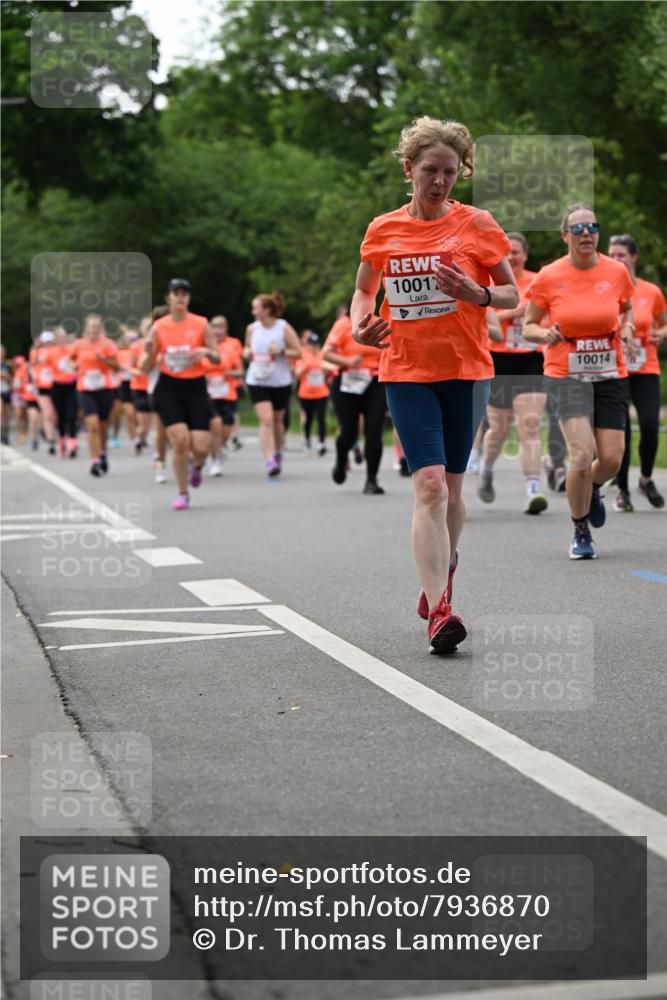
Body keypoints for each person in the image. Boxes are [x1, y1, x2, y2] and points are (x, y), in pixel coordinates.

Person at [351, 116, 518, 651]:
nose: (440, 181)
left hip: (467, 371)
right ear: (409, 170)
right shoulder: (384, 229)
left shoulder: (478, 224)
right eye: (430, 170)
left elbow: (514, 296)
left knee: (450, 490)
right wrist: (361, 326)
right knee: (426, 486)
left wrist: (479, 293)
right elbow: (363, 292)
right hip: (407, 370)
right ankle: (441, 611)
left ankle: (440, 571)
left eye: (450, 172)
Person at [523, 205, 635, 559]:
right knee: (582, 453)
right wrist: (546, 333)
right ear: (565, 235)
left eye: (592, 227)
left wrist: (628, 326)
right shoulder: (549, 276)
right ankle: (580, 527)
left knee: (612, 460)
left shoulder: (616, 271)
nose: (586, 233)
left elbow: (626, 308)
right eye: (578, 228)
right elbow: (528, 326)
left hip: (609, 373)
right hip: (565, 374)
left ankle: (594, 488)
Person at [478, 232, 548, 514]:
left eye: (516, 252)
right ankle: (486, 469)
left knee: (529, 424)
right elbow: (486, 317)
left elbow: (546, 313)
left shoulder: (537, 280)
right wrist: (515, 311)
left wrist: (530, 315)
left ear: (525, 255)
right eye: (506, 253)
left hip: (530, 359)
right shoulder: (491, 282)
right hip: (499, 358)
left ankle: (533, 490)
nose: (511, 257)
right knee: (498, 429)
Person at [141, 280, 220, 509]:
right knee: (181, 441)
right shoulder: (158, 327)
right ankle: (183, 493)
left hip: (195, 387)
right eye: (176, 294)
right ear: (168, 299)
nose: (181, 298)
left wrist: (205, 351)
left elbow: (217, 357)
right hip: (168, 389)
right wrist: (147, 353)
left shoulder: (201, 324)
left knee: (201, 447)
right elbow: (146, 367)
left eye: (185, 294)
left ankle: (197, 467)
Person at [607, 234, 666, 511]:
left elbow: (664, 324)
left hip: (645, 368)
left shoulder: (651, 291)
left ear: (634, 257)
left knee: (651, 426)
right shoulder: (603, 288)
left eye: (622, 255)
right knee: (622, 431)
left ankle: (645, 478)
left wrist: (661, 335)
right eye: (612, 254)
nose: (616, 259)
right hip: (614, 368)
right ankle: (622, 490)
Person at [323, 309, 386, 493]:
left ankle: (371, 480)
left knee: (374, 430)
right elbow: (326, 354)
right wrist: (348, 361)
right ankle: (341, 458)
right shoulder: (343, 323)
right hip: (346, 382)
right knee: (349, 432)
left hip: (375, 382)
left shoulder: (380, 322)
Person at [243, 292, 301, 477]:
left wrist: (281, 350)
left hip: (279, 380)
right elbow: (246, 347)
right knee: (266, 419)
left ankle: (277, 452)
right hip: (257, 379)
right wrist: (246, 353)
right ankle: (269, 460)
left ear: (267, 310)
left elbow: (298, 352)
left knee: (277, 421)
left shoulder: (283, 327)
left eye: (256, 308)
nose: (253, 311)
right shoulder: (252, 329)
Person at [70, 314, 120, 476]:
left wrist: (104, 359)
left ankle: (103, 451)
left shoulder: (108, 344)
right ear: (87, 328)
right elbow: (70, 360)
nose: (94, 330)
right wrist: (74, 365)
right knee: (92, 424)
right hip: (85, 388)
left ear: (101, 328)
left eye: (97, 327)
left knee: (103, 425)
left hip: (104, 388)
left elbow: (116, 367)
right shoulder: (79, 344)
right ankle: (95, 460)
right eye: (92, 327)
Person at [203, 315, 244, 476]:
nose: (217, 331)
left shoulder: (231, 347)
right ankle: (216, 460)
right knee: (215, 425)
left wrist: (228, 373)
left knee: (225, 430)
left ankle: (219, 447)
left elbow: (240, 371)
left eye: (221, 327)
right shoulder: (204, 347)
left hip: (228, 393)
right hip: (208, 394)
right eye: (214, 327)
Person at [295, 332, 335, 455]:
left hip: (321, 392)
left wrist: (325, 368)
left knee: (321, 418)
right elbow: (297, 373)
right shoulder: (302, 356)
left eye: (316, 344)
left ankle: (321, 443)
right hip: (306, 393)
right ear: (307, 345)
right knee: (308, 418)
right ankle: (307, 439)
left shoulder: (322, 355)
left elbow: (331, 368)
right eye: (311, 344)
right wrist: (308, 365)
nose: (314, 347)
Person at [50, 326, 79, 457]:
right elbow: (41, 369)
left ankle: (72, 441)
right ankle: (62, 439)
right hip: (57, 386)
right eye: (59, 337)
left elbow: (80, 363)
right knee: (61, 416)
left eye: (63, 336)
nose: (61, 339)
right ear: (55, 339)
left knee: (71, 415)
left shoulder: (72, 350)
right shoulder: (50, 352)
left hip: (72, 385)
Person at [30, 331, 58, 454]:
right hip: (42, 386)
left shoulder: (59, 352)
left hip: (56, 385)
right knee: (47, 414)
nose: (48, 344)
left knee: (55, 415)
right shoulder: (36, 352)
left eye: (50, 342)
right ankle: (51, 440)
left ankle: (50, 431)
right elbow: (32, 366)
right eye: (46, 342)